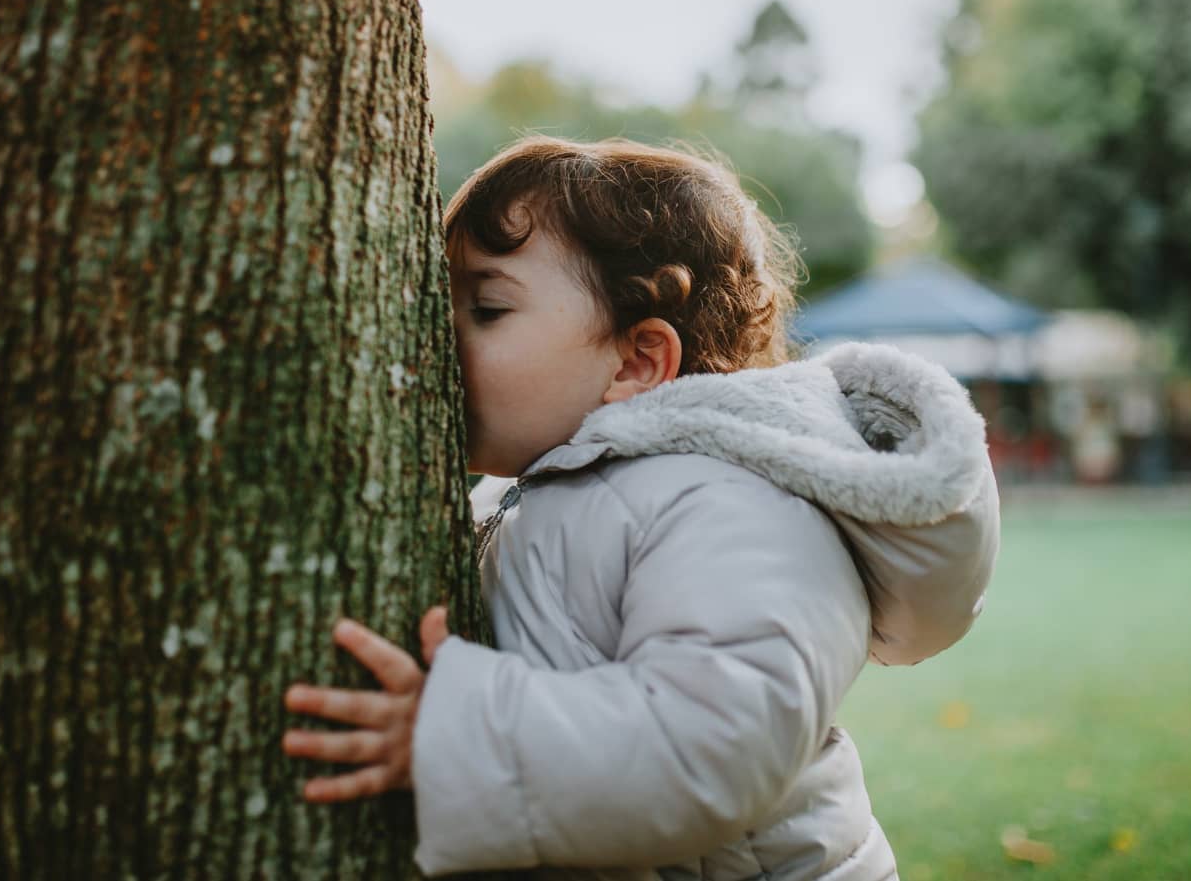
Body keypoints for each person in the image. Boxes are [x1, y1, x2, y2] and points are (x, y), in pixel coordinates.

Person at [279, 136, 999, 880]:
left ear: (636, 360)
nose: (437, 336)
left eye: (487, 308)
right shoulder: (532, 492)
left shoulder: (731, 503)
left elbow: (711, 750)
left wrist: (460, 734)